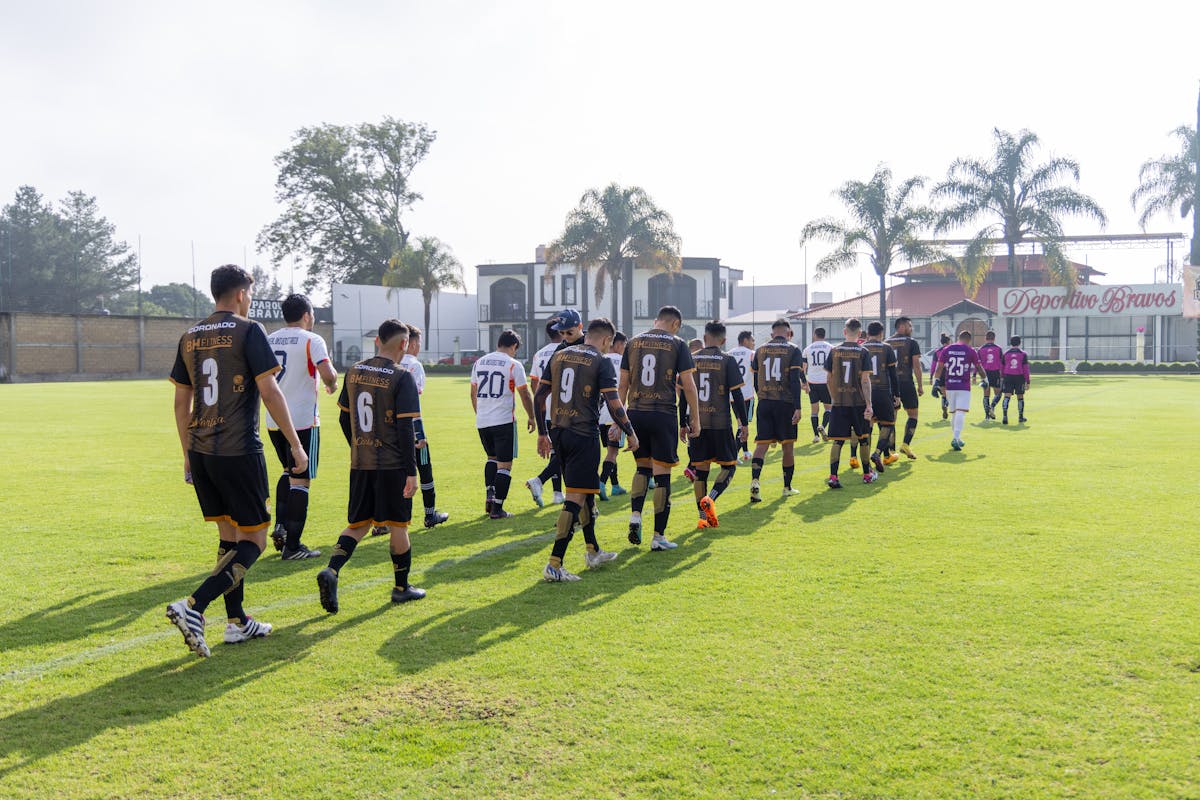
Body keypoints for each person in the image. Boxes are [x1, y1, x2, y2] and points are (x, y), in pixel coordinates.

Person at [165, 264, 308, 657]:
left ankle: (237, 622)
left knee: (229, 536)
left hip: (201, 450)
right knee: (256, 539)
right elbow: (270, 391)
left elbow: (181, 402)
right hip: (238, 449)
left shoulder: (189, 336)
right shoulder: (249, 330)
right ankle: (193, 605)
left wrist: (186, 454)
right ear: (243, 293)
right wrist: (295, 445)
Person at [316, 320, 425, 614]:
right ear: (404, 344)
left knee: (358, 524)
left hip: (361, 463)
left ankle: (332, 570)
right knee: (399, 525)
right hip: (391, 465)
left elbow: (343, 418)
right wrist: (412, 472)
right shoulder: (402, 377)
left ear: (377, 340)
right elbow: (405, 430)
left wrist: (359, 445)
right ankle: (402, 588)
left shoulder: (354, 371)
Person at [534, 317, 638, 581]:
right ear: (606, 340)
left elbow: (539, 395)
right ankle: (554, 564)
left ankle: (593, 551)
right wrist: (630, 432)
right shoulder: (601, 360)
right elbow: (613, 402)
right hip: (583, 434)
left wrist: (542, 433)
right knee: (576, 498)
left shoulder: (560, 354)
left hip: (558, 431)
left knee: (587, 493)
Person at [619, 305, 699, 550]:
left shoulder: (632, 343)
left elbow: (623, 384)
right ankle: (658, 537)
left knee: (642, 468)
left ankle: (635, 515)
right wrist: (694, 417)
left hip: (636, 412)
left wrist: (619, 418)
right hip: (663, 413)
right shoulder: (677, 343)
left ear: (657, 321)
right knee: (662, 475)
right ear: (675, 324)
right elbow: (688, 384)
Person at [265, 293, 337, 560]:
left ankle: (281, 526)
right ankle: (293, 547)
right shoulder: (312, 340)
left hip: (274, 420)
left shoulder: (269, 340)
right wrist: (332, 383)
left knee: (287, 470)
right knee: (301, 480)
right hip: (304, 420)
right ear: (307, 315)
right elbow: (327, 373)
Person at [683, 321, 749, 529]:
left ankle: (703, 517)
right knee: (729, 467)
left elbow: (684, 395)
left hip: (697, 423)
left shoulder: (691, 359)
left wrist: (682, 423)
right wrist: (744, 423)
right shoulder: (727, 360)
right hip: (720, 423)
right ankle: (710, 499)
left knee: (701, 470)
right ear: (723, 340)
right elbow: (737, 395)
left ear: (704, 338)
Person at [471, 329, 536, 519]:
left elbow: (472, 393)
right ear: (514, 346)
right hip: (504, 421)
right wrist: (531, 417)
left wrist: (480, 413)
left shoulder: (479, 362)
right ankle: (498, 509)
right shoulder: (513, 364)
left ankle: (490, 497)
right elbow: (524, 393)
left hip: (483, 420)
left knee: (491, 458)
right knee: (505, 466)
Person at [749, 318, 806, 501]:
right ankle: (787, 487)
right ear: (788, 333)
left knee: (761, 445)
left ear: (772, 334)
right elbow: (794, 381)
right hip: (785, 403)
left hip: (765, 402)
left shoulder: (760, 350)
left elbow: (756, 379)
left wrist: (761, 396)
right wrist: (798, 407)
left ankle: (755, 481)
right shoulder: (793, 349)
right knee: (787, 447)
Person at [825, 318, 875, 488]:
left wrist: (834, 398)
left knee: (838, 440)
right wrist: (869, 405)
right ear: (860, 334)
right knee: (863, 439)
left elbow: (829, 378)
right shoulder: (863, 352)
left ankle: (833, 476)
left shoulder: (834, 351)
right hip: (858, 402)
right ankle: (867, 474)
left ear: (844, 332)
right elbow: (865, 380)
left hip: (839, 402)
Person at [524, 319, 569, 507]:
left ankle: (558, 493)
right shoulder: (568, 350)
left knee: (555, 451)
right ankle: (540, 481)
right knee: (564, 452)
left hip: (545, 409)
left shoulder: (539, 354)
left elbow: (534, 384)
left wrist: (540, 403)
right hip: (565, 407)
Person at [932, 330, 988, 450]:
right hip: (963, 386)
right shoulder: (970, 350)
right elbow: (979, 367)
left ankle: (957, 437)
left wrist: (935, 381)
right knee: (960, 412)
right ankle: (956, 438)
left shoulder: (947, 349)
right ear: (969, 340)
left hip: (950, 385)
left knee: (953, 413)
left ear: (959, 338)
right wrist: (985, 379)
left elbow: (939, 367)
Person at [862, 322, 901, 472]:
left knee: (868, 426)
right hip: (883, 391)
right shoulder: (886, 348)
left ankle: (866, 464)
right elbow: (893, 374)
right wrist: (897, 395)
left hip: (865, 392)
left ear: (867, 332)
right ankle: (877, 453)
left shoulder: (861, 348)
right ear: (881, 333)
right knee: (889, 423)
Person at [885, 316, 924, 459]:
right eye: (909, 326)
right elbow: (916, 365)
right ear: (901, 326)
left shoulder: (886, 343)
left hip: (889, 384)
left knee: (891, 417)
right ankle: (905, 444)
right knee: (913, 414)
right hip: (906, 382)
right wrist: (920, 385)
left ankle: (891, 451)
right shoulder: (911, 342)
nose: (911, 328)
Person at [597, 330, 629, 499]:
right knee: (613, 453)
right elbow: (625, 387)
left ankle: (615, 485)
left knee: (610, 450)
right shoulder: (623, 361)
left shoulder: (600, 359)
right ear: (617, 344)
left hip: (599, 414)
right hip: (615, 413)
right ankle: (601, 483)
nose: (624, 348)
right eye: (624, 345)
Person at [726, 331, 757, 463]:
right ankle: (733, 454)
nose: (753, 343)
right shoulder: (752, 354)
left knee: (740, 424)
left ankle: (745, 451)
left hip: (732, 395)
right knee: (743, 425)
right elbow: (757, 374)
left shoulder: (728, 353)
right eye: (752, 340)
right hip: (746, 395)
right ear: (745, 340)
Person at [801, 327, 833, 443]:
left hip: (812, 382)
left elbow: (802, 369)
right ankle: (823, 426)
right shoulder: (831, 348)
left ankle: (816, 436)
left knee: (814, 410)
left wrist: (804, 383)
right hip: (826, 382)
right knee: (828, 408)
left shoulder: (807, 349)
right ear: (824, 335)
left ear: (815, 335)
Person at [1000, 335, 1031, 424]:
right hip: (1019, 377)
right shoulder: (1023, 354)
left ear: (1011, 343)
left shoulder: (1005, 354)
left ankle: (1005, 416)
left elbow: (1002, 367)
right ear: (1019, 343)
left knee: (1006, 396)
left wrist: (1002, 377)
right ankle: (1020, 417)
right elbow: (1026, 369)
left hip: (1008, 376)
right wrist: (1027, 381)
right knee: (1020, 397)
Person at [976, 330, 1004, 419]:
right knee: (998, 394)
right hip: (995, 373)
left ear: (985, 338)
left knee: (986, 395)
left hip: (985, 374)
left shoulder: (980, 349)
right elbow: (1002, 363)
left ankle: (987, 416)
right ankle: (992, 407)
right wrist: (1003, 374)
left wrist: (974, 375)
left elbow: (977, 363)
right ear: (994, 338)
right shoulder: (998, 349)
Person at [929, 333, 952, 420]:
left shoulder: (937, 351)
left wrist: (931, 376)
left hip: (941, 374)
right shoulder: (951, 350)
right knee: (950, 394)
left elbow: (933, 365)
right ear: (948, 342)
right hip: (950, 373)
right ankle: (946, 404)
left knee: (944, 394)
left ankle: (944, 408)